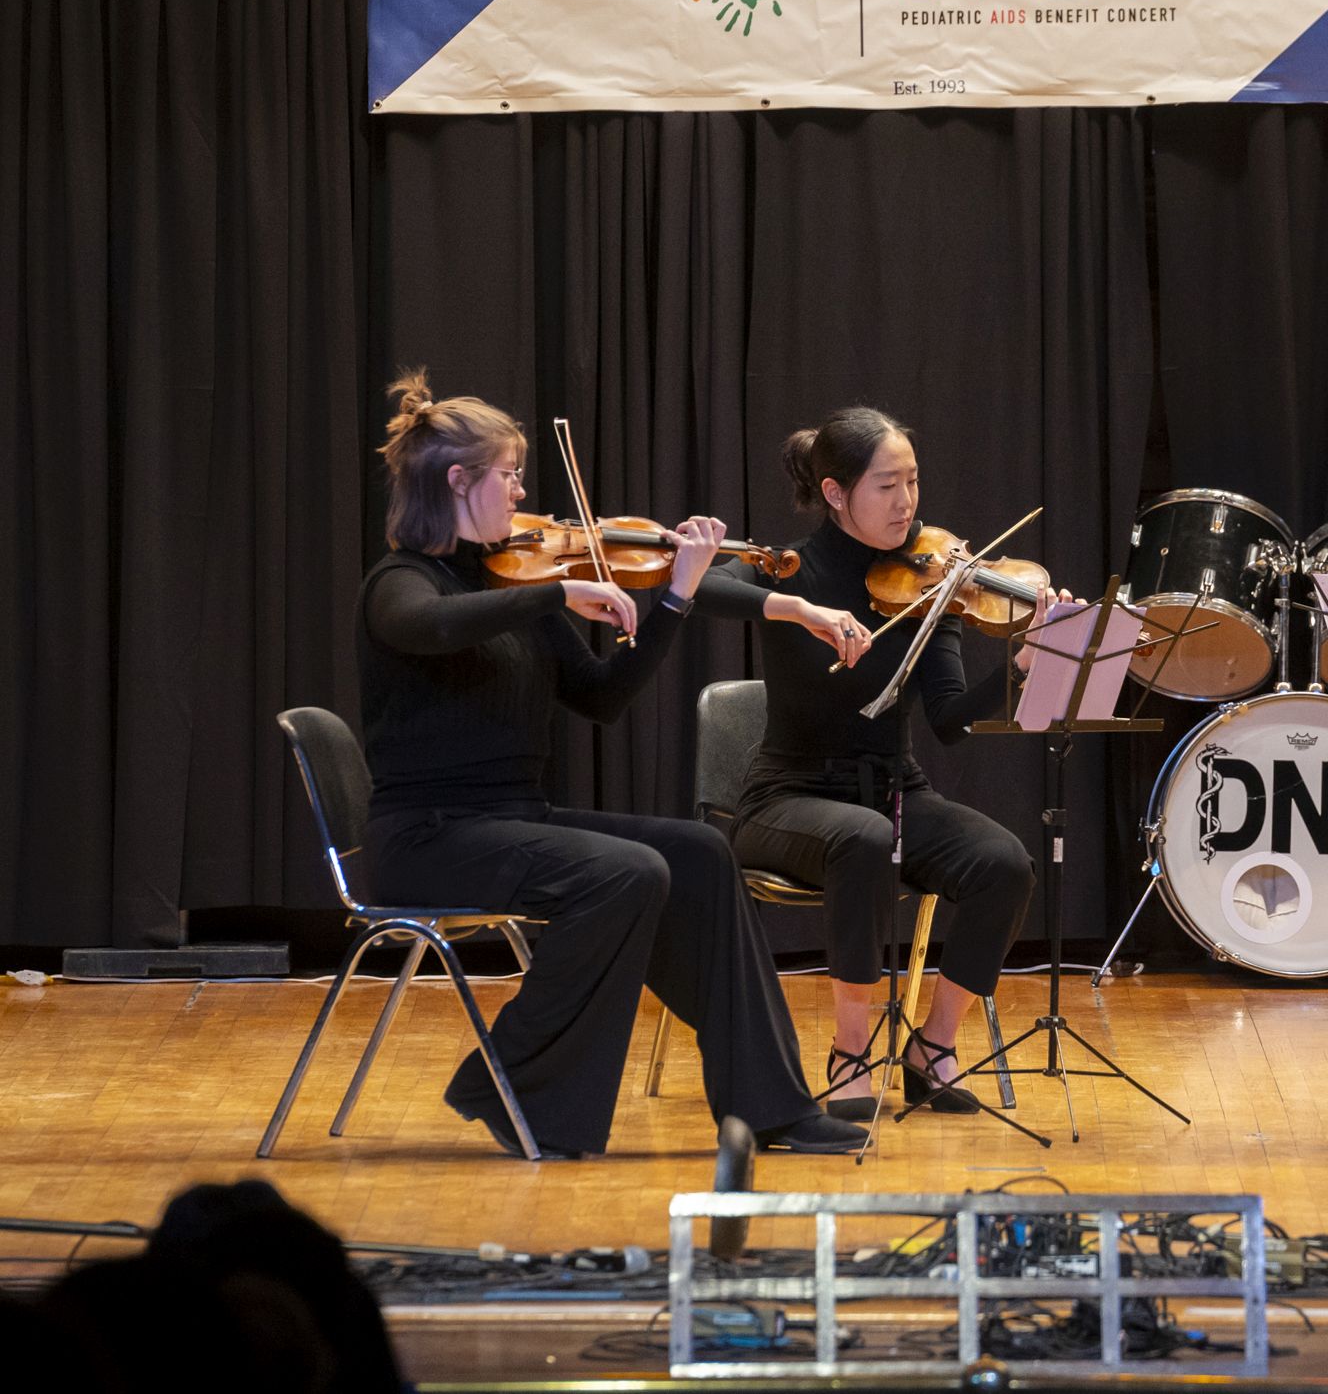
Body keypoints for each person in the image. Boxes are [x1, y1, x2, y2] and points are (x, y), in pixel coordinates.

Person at [357, 372, 869, 1157]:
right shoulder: (403, 582)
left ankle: (773, 1106)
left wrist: (677, 600)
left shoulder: (517, 576)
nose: (525, 491)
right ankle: (508, 1083)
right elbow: (429, 626)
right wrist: (559, 589)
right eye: (510, 474)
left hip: (513, 820)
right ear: (458, 482)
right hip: (426, 836)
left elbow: (601, 697)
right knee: (624, 872)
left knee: (699, 852)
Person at [695, 408, 1042, 1121]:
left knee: (1003, 861)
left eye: (913, 482)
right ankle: (852, 1051)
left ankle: (931, 1047)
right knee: (863, 838)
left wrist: (1025, 662)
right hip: (787, 797)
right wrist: (796, 608)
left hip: (895, 789)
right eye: (887, 485)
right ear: (835, 491)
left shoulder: (928, 581)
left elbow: (948, 722)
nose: (907, 503)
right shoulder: (792, 568)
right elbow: (701, 586)